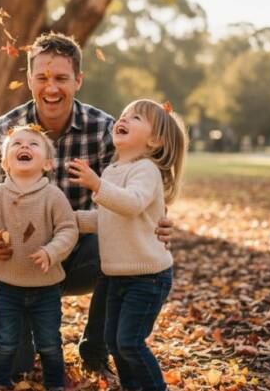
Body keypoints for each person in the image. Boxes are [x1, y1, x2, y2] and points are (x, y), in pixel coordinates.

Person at [0, 32, 175, 376]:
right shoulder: (3, 133)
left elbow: (138, 190)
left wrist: (160, 219)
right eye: (43, 78)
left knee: (112, 241)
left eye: (62, 79)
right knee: (13, 367)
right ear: (29, 79)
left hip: (82, 255)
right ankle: (27, 327)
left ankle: (96, 346)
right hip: (21, 265)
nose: (52, 88)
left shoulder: (105, 130)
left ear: (78, 80)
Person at [69, 99, 187, 391]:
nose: (123, 119)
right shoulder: (112, 170)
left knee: (130, 343)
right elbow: (107, 219)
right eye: (123, 115)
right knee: (114, 341)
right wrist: (69, 220)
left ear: (155, 140)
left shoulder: (145, 170)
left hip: (146, 277)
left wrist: (97, 186)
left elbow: (132, 204)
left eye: (135, 118)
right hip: (116, 276)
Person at [0, 125, 78, 390]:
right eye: (17, 144)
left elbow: (68, 228)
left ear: (48, 164)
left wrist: (52, 251)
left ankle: (55, 384)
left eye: (33, 144)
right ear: (5, 162)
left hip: (46, 286)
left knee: (49, 343)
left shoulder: (53, 196)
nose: (24, 147)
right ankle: (0, 382)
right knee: (5, 340)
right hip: (7, 285)